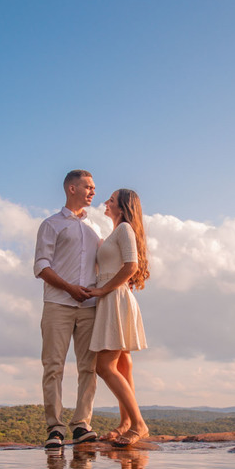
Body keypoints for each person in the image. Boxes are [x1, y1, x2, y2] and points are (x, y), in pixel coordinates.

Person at [34, 170, 103, 448]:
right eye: (88, 187)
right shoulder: (51, 224)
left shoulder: (97, 228)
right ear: (71, 188)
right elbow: (41, 266)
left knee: (89, 367)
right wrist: (69, 288)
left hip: (90, 305)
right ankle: (55, 428)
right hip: (57, 304)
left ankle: (82, 424)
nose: (93, 192)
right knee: (53, 366)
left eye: (94, 188)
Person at [87, 189, 150, 447]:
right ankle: (126, 423)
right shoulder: (116, 232)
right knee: (123, 366)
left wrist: (103, 289)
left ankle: (139, 424)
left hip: (114, 298)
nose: (105, 202)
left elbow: (131, 266)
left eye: (111, 200)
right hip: (114, 298)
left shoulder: (124, 229)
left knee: (104, 367)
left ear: (122, 208)